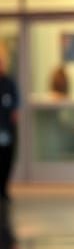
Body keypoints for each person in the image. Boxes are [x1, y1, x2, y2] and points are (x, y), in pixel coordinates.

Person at [0, 46, 19, 202]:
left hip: (7, 128)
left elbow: (15, 106)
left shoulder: (10, 83)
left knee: (6, 159)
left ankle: (3, 189)